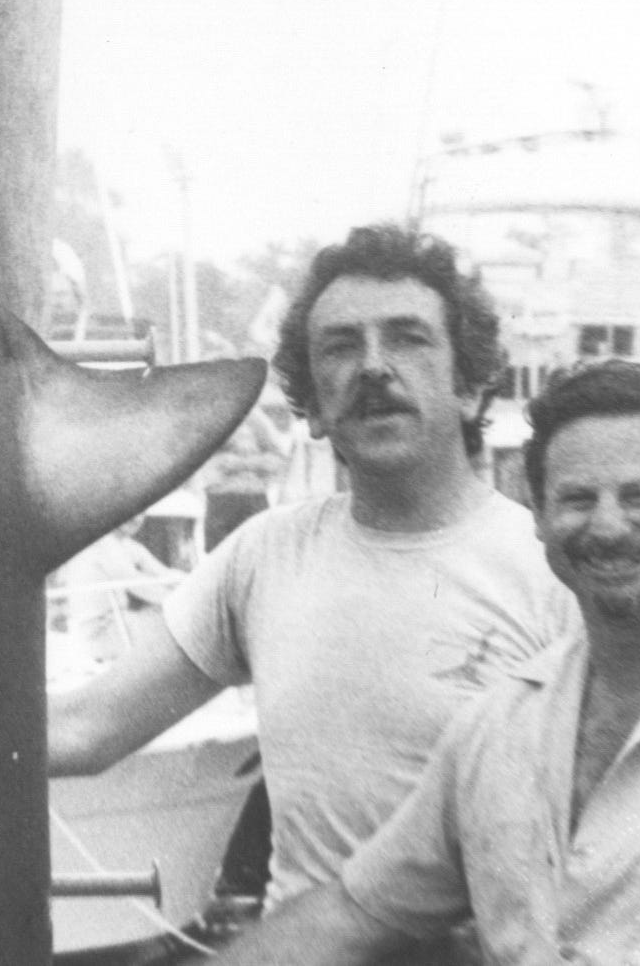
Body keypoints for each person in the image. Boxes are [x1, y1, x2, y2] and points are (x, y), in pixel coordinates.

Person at [48, 224, 573, 957]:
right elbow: (88, 729)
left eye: (409, 338)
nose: (374, 367)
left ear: (470, 383)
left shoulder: (551, 571)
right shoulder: (262, 556)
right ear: (315, 407)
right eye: (340, 346)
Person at [218, 359, 640, 964]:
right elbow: (356, 911)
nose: (607, 525)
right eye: (576, 499)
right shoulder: (495, 730)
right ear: (539, 518)